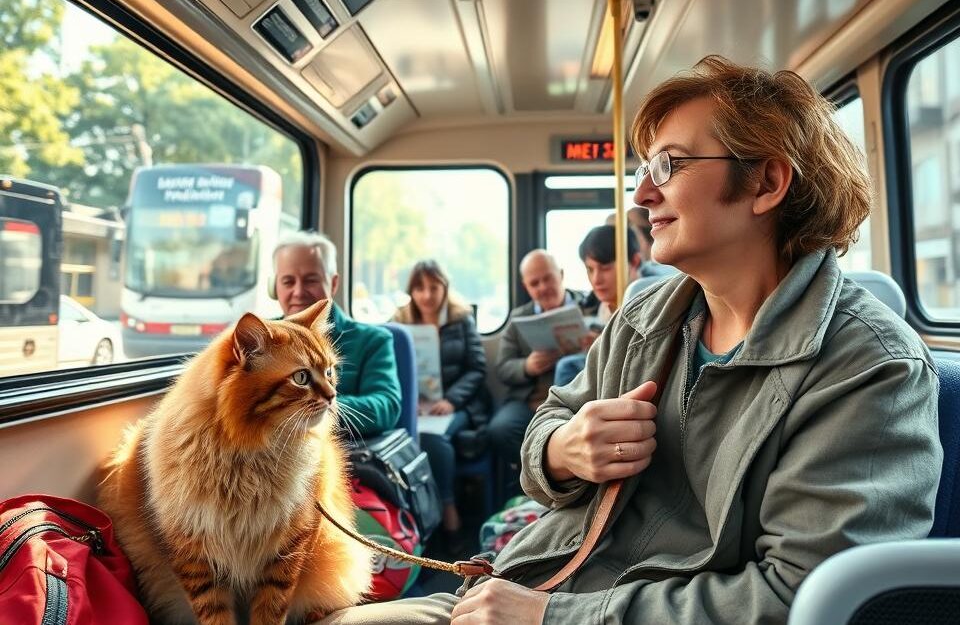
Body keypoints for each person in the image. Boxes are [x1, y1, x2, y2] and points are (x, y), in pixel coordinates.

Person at [313, 56, 941, 624]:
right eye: (645, 170)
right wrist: (565, 449)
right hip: (534, 578)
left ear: (766, 183)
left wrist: (549, 617)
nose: (642, 196)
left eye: (669, 164)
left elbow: (801, 598)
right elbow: (544, 432)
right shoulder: (647, 319)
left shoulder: (868, 367)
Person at [391, 260, 489, 538]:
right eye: (420, 288)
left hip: (457, 404)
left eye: (434, 287)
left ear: (445, 288)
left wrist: (451, 401)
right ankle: (411, 520)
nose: (427, 295)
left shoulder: (461, 319)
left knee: (435, 441)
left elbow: (477, 369)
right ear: (411, 291)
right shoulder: (398, 323)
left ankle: (448, 512)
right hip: (416, 405)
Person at [272, 231, 401, 438]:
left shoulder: (372, 341)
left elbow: (386, 406)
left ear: (333, 284)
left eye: (310, 280)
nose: (298, 291)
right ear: (274, 287)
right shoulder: (261, 341)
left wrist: (316, 406)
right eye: (288, 282)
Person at [488, 250, 587, 498]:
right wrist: (527, 367)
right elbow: (503, 367)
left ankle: (568, 488)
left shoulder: (589, 306)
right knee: (500, 429)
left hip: (576, 398)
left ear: (561, 275)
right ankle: (532, 486)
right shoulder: (518, 318)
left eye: (548, 278)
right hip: (529, 400)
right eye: (535, 283)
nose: (543, 287)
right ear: (526, 286)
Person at [553, 225, 642, 387]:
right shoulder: (603, 305)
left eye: (605, 268)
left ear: (634, 262)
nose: (596, 279)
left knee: (567, 367)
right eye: (590, 269)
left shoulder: (644, 299)